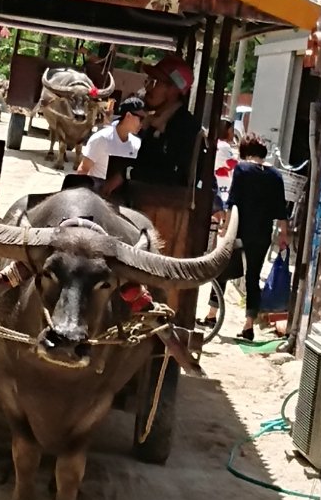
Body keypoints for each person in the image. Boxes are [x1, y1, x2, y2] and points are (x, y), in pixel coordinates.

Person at [198, 133, 289, 342]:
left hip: (239, 232)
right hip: (262, 233)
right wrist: (284, 234)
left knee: (221, 270)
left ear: (244, 151)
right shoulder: (276, 175)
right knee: (253, 277)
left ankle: (212, 316)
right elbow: (281, 210)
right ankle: (249, 325)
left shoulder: (242, 169)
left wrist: (225, 227)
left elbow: (232, 201)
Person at [101, 54, 199, 193]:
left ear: (172, 90)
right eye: (149, 81)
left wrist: (126, 174)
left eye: (155, 82)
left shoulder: (184, 127)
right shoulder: (158, 121)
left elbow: (172, 176)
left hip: (159, 205)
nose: (147, 88)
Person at [75, 96, 145, 190]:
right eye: (141, 118)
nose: (142, 123)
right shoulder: (101, 139)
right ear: (128, 115)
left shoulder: (137, 144)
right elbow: (83, 170)